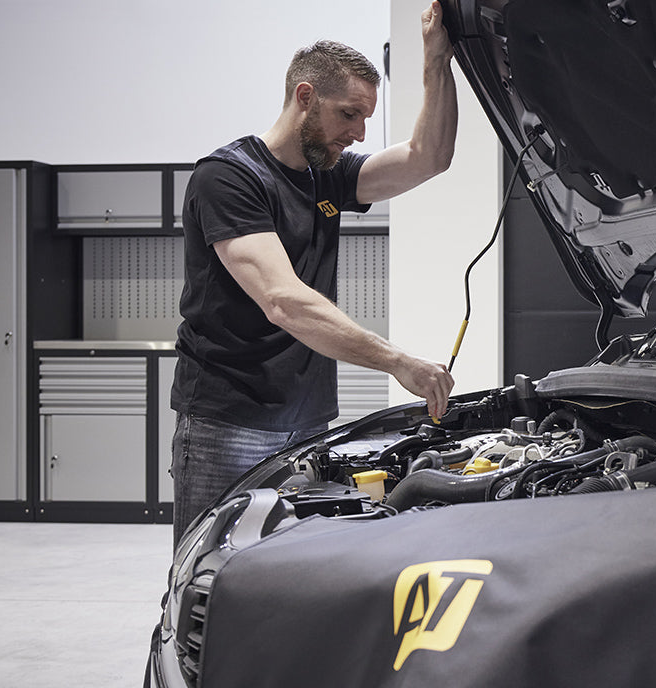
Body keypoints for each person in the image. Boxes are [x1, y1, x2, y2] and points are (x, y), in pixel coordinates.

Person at [170, 1, 458, 545]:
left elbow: (428, 157)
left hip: (306, 421)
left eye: (367, 117)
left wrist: (436, 62)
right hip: (227, 423)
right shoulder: (229, 178)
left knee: (292, 570)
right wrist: (398, 362)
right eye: (348, 114)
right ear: (306, 97)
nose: (358, 132)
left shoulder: (328, 176)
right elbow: (283, 300)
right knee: (212, 571)